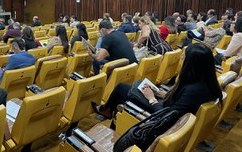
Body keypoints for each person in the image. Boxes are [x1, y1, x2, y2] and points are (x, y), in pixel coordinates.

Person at [92, 43, 223, 120]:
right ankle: (109, 112)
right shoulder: (207, 83)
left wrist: (151, 98)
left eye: (185, 57)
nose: (182, 59)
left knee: (122, 88)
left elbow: (167, 116)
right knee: (135, 87)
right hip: (165, 105)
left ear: (192, 64)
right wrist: (160, 93)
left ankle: (105, 109)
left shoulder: (192, 90)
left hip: (160, 113)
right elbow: (181, 103)